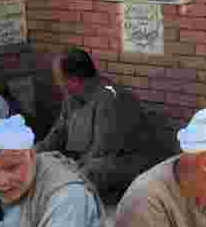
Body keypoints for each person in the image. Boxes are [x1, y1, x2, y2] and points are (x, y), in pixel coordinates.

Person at [36, 47, 159, 200]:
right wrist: (34, 153)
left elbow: (101, 149)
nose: (57, 83)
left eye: (58, 78)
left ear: (74, 81)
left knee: (88, 172)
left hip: (124, 162)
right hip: (89, 158)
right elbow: (58, 133)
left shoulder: (110, 98)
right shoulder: (72, 96)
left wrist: (69, 168)